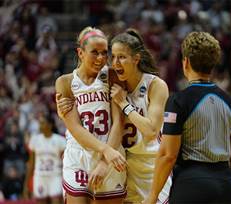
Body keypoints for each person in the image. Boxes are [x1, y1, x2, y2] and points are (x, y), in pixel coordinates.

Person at [143, 31, 231, 204]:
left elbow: (168, 155)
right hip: (225, 184)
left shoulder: (178, 101)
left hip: (190, 184)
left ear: (186, 62)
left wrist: (152, 197)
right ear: (213, 63)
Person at [55, 26, 126, 204]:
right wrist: (106, 151)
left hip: (110, 153)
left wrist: (104, 160)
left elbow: (119, 122)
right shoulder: (65, 82)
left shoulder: (111, 75)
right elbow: (75, 128)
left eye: (104, 53)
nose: (101, 58)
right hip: (79, 156)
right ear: (80, 53)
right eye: (95, 52)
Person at [110, 28, 171, 204]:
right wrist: (66, 101)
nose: (116, 63)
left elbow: (151, 130)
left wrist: (124, 104)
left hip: (152, 167)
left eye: (121, 57)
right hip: (125, 169)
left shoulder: (155, 85)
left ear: (136, 59)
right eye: (113, 57)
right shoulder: (113, 85)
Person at [23, 113, 66, 204]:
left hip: (55, 176)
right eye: (40, 123)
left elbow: (65, 164)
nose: (40, 125)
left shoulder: (60, 140)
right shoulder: (34, 140)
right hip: (40, 176)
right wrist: (26, 185)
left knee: (56, 201)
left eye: (43, 123)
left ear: (50, 125)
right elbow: (31, 164)